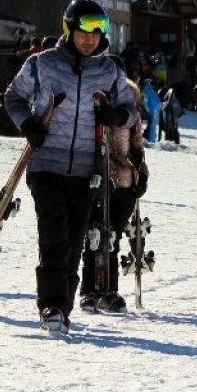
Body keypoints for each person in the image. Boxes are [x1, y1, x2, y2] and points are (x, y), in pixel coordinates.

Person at [4, 0, 135, 334]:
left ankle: (63, 305)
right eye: (84, 29)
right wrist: (27, 125)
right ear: (69, 28)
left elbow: (128, 108)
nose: (90, 37)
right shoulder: (42, 64)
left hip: (87, 170)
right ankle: (51, 306)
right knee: (54, 238)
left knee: (75, 242)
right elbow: (13, 97)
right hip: (46, 163)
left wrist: (118, 116)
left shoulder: (110, 70)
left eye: (98, 30)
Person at [79, 79, 149, 313]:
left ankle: (109, 290)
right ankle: (89, 289)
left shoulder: (131, 116)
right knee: (94, 235)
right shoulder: (93, 108)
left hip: (125, 183)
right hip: (96, 179)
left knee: (112, 238)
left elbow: (138, 148)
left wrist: (142, 175)